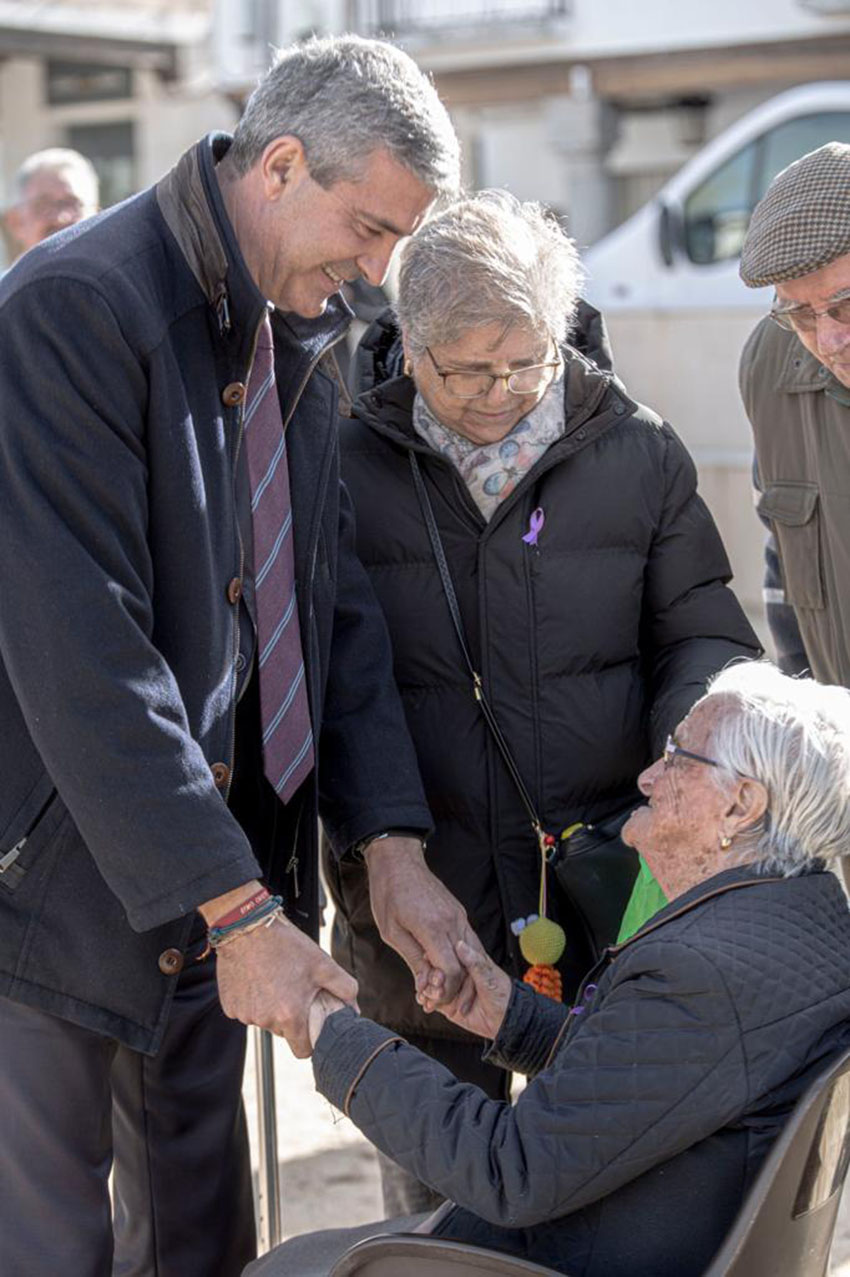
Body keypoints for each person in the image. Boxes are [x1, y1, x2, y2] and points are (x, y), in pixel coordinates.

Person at [0, 35, 471, 1277]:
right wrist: (238, 905)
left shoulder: (304, 320)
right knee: (52, 1248)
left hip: (222, 892)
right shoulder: (73, 306)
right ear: (276, 164)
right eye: (368, 229)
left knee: (204, 1243)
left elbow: (330, 611)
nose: (378, 273)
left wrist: (391, 854)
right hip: (57, 895)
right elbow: (82, 645)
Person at [324, 190, 760, 1215]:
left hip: (609, 886)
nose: (497, 392)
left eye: (524, 361)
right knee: (442, 1214)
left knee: (617, 1189)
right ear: (408, 342)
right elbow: (332, 683)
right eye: (463, 368)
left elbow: (700, 626)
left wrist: (690, 756)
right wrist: (378, 848)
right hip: (418, 896)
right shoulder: (341, 456)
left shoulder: (636, 450)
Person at [251, 661, 850, 1277]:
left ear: (740, 806)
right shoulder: (810, 918)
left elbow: (509, 1172)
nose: (647, 776)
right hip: (658, 1239)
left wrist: (331, 1030)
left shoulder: (702, 971)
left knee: (282, 1269)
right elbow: (660, 1080)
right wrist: (516, 1020)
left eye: (676, 759)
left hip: (581, 1258)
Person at [739, 141, 850, 683]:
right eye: (801, 314)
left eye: (846, 304)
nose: (829, 339)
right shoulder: (770, 362)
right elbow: (782, 566)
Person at [3, 146, 99, 260]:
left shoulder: (120, 276)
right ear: (16, 222)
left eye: (73, 204)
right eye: (44, 206)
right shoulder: (10, 278)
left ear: (97, 214)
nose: (61, 218)